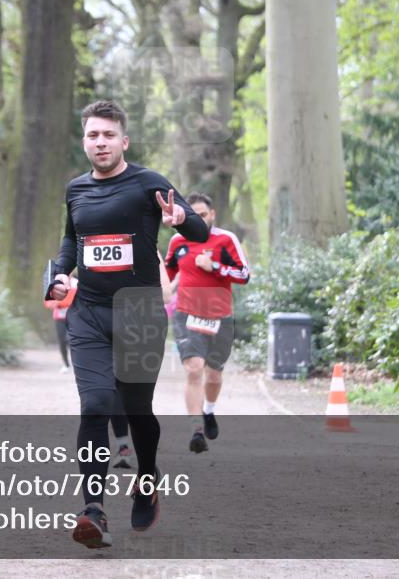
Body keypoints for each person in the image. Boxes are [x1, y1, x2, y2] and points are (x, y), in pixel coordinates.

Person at [47, 100, 209, 549]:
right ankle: (93, 510)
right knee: (96, 404)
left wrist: (180, 219)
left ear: (124, 141)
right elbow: (72, 240)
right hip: (89, 313)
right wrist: (60, 273)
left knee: (137, 409)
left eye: (108, 135)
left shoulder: (149, 183)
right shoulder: (76, 190)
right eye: (92, 135)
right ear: (84, 141)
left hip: (139, 313)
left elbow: (198, 231)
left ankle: (147, 476)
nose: (100, 142)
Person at [164, 192, 250, 453]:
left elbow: (244, 274)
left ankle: (208, 410)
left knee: (213, 375)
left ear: (212, 215)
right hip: (187, 313)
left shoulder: (226, 239)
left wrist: (215, 266)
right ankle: (196, 429)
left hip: (220, 317)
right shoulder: (178, 241)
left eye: (203, 215)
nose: (199, 219)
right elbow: (167, 275)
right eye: (195, 215)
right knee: (194, 369)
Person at [44, 275, 135, 469]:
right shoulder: (62, 274)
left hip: (116, 324)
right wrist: (58, 293)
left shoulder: (91, 278)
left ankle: (125, 446)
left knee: (118, 388)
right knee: (98, 397)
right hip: (79, 325)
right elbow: (49, 298)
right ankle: (66, 364)